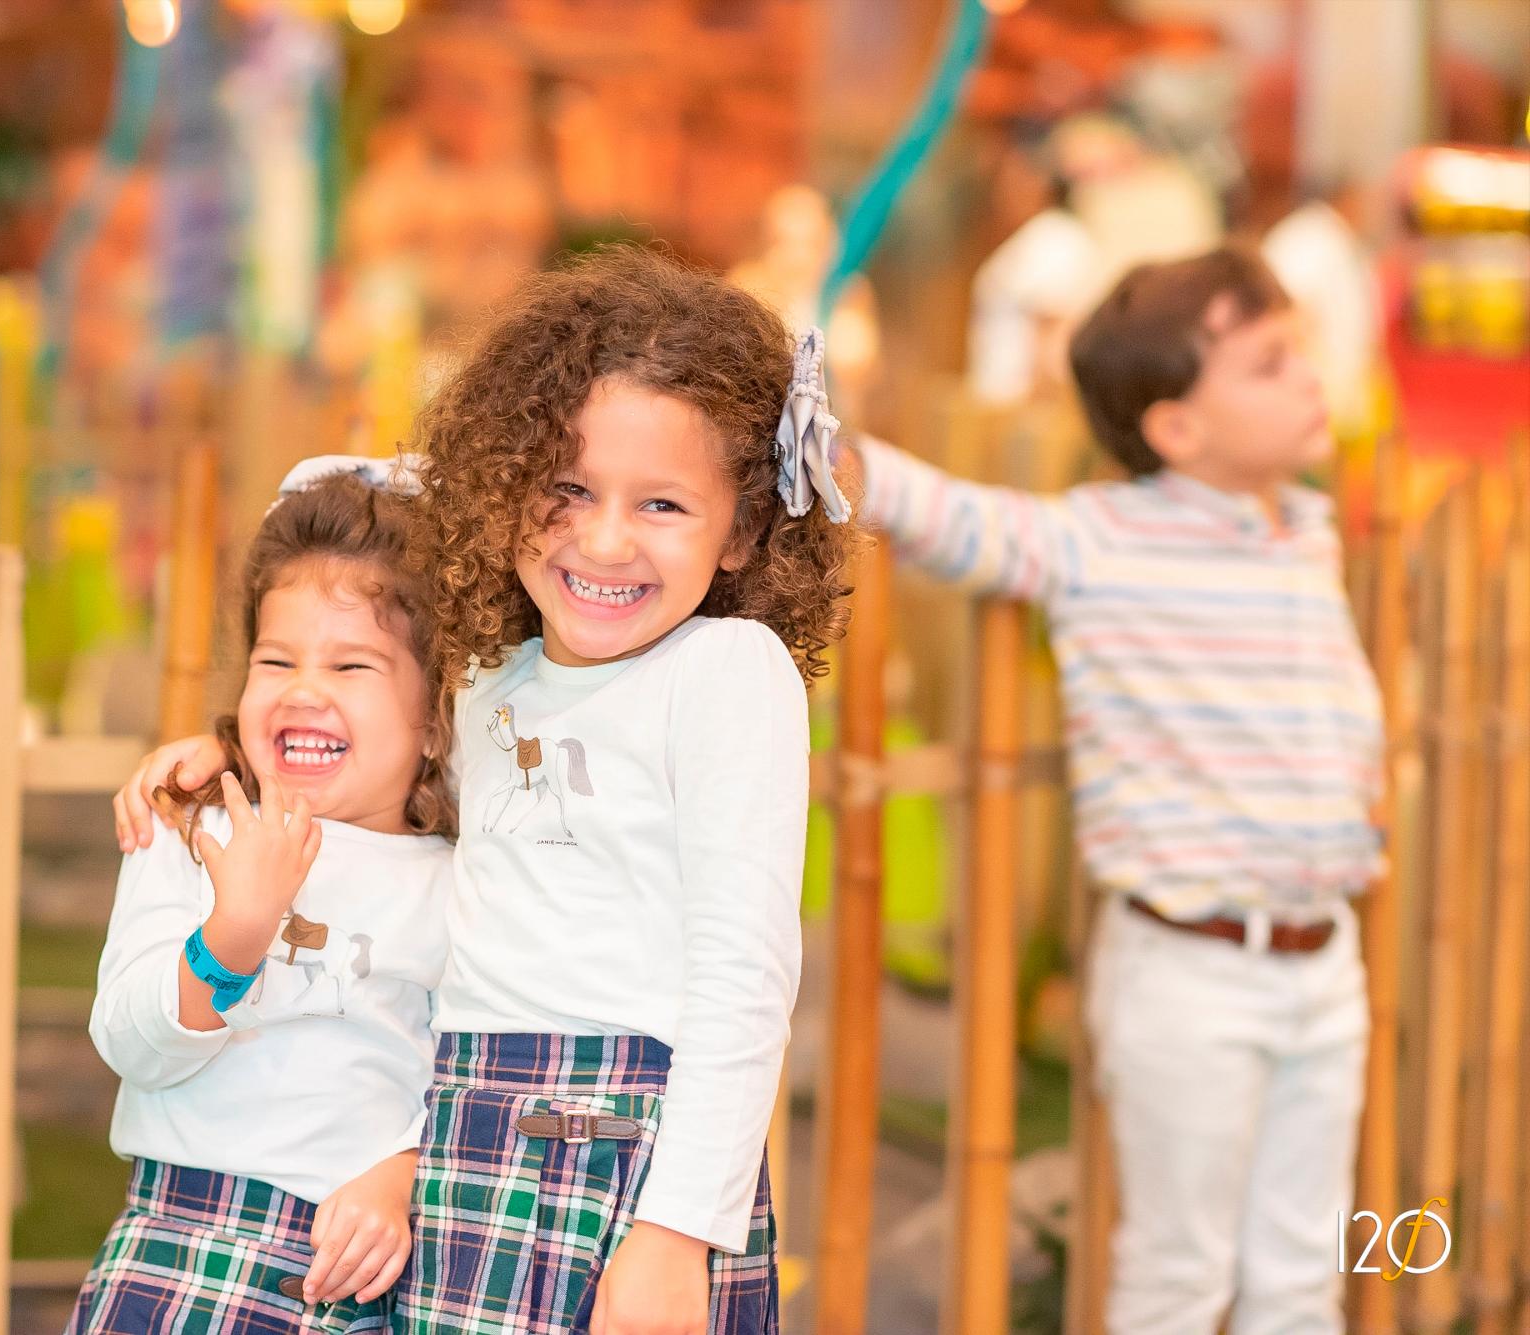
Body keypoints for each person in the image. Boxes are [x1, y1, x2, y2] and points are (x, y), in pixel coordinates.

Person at [115, 246, 853, 1334]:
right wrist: (223, 748)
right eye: (562, 489)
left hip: (625, 1154)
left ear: (741, 526)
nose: (602, 539)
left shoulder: (725, 673)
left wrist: (677, 1232)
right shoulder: (495, 676)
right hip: (465, 1140)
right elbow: (361, 725)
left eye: (660, 503)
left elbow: (743, 981)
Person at [849, 247, 1380, 1334]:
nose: (1307, 377)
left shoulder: (1305, 534)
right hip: (1188, 972)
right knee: (1176, 1276)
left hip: (1322, 959)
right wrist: (831, 449)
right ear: (1177, 429)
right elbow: (951, 518)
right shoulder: (1098, 540)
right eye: (1270, 363)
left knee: (1298, 1275)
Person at [72, 469, 455, 1334]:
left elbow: (464, 1082)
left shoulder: (459, 882)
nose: (303, 688)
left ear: (436, 716)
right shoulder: (195, 829)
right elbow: (131, 1043)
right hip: (178, 1254)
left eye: (353, 664)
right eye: (275, 660)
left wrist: (399, 1176)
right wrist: (233, 933)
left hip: (360, 1278)